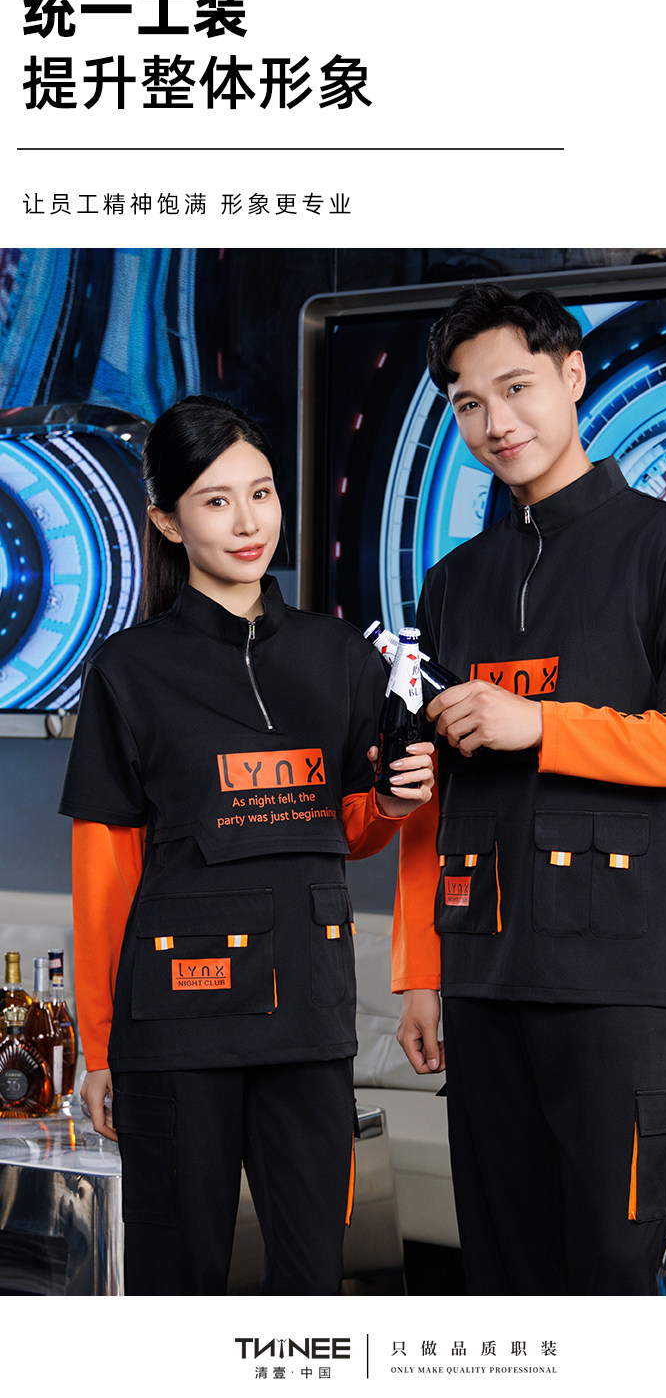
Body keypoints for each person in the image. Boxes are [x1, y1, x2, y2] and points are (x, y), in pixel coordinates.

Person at [392, 284, 666, 1296]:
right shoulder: (453, 580)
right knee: (500, 1271)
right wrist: (420, 970)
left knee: (606, 1268)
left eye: (516, 387)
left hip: (613, 979)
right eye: (468, 403)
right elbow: (431, 795)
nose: (495, 421)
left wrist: (544, 725)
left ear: (571, 374)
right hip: (480, 978)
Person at [59, 394, 434, 1297]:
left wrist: (390, 804)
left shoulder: (342, 658)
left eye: (260, 494)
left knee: (312, 1276)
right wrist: (98, 1048)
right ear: (167, 521)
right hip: (175, 1022)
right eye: (216, 501)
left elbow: (344, 832)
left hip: (308, 1012)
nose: (247, 522)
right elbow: (104, 876)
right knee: (177, 1277)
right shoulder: (128, 671)